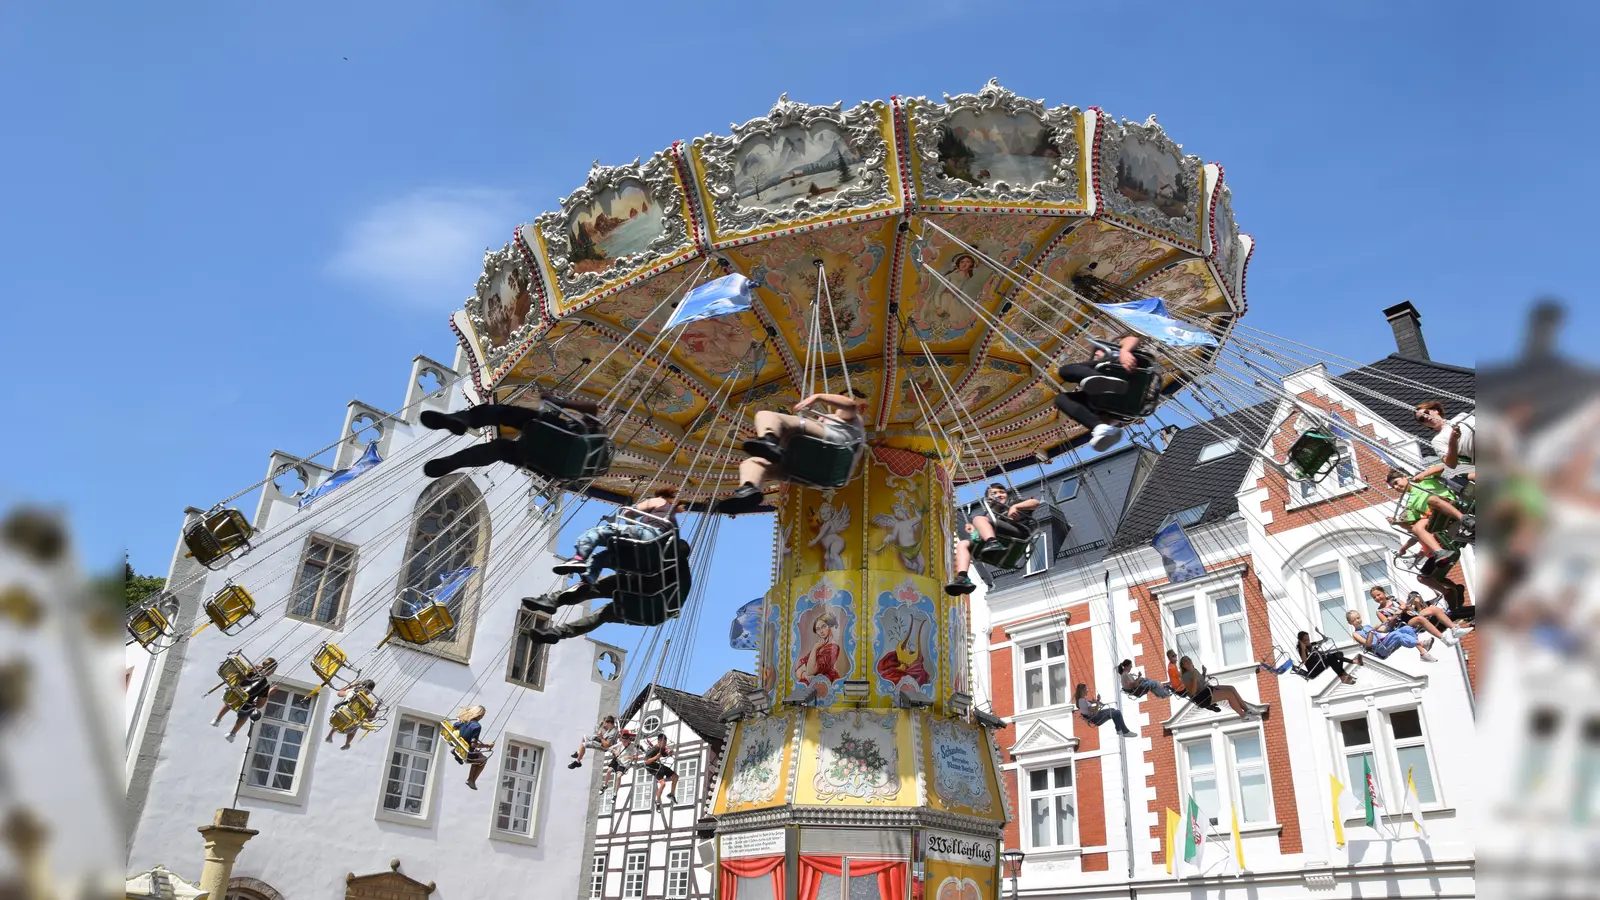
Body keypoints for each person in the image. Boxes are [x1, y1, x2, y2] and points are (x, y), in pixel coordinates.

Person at [719, 393, 866, 514]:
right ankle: (750, 489)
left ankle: (769, 439)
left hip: (836, 447)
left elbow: (850, 405)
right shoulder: (841, 423)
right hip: (824, 477)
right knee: (752, 463)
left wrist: (817, 397)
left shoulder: (851, 421)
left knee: (766, 416)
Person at [524, 538, 693, 644]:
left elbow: (626, 563)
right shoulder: (682, 576)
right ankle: (557, 632)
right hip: (652, 612)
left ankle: (553, 601)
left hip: (647, 597)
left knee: (596, 586)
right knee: (602, 614)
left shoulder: (664, 562)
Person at [419, 395, 604, 478]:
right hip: (542, 462)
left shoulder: (595, 434)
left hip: (550, 433)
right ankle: (454, 462)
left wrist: (560, 403)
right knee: (501, 449)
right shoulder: (590, 462)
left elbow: (593, 408)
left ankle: (462, 419)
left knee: (503, 413)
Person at [554, 488, 684, 582]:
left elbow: (629, 512)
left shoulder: (658, 500)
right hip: (652, 561)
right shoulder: (673, 521)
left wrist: (631, 526)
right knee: (602, 557)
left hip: (649, 536)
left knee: (598, 532)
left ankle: (579, 559)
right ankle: (586, 581)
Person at [1053, 334, 1153, 452]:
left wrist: (1125, 351)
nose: (1095, 354)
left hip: (1123, 375)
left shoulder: (1117, 353)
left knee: (1065, 371)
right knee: (1060, 399)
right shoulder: (1097, 364)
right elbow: (1111, 418)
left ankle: (1098, 379)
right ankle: (1100, 427)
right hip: (1117, 401)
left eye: (1098, 350)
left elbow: (1133, 338)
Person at [946, 484, 1040, 595]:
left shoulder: (1013, 503)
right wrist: (973, 531)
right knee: (962, 544)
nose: (999, 495)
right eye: (993, 493)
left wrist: (1016, 507)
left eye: (1002, 492)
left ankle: (992, 543)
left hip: (1017, 534)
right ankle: (962, 578)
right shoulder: (988, 514)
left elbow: (1035, 503)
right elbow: (979, 533)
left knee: (978, 519)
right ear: (988, 500)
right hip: (1002, 536)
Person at [1386, 465, 1475, 560]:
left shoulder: (1422, 480)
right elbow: (1412, 527)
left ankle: (1464, 518)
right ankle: (1440, 551)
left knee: (1431, 499)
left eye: (1396, 482)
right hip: (1435, 516)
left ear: (1405, 477)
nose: (1396, 487)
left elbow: (1439, 468)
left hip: (1447, 503)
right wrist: (1397, 523)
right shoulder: (1410, 503)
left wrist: (1423, 474)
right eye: (1393, 486)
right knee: (1417, 527)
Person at [211, 657, 277, 743]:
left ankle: (217, 719)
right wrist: (269, 693)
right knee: (246, 713)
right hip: (244, 704)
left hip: (233, 695)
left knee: (231, 701)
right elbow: (260, 704)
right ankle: (232, 734)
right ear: (271, 671)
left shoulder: (248, 670)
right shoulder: (264, 685)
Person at [1258, 632, 1362, 686]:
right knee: (1331, 658)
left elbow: (1322, 641)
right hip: (1314, 669)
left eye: (1308, 639)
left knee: (1338, 654)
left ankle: (1344, 675)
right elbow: (1304, 661)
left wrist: (1321, 636)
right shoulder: (1301, 648)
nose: (1308, 641)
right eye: (1306, 640)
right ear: (1301, 641)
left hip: (1319, 664)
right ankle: (1346, 671)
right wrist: (1303, 649)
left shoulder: (1311, 645)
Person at [1176, 656, 1262, 720]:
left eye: (1188, 660)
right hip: (1202, 697)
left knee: (1231, 688)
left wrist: (1203, 673)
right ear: (1183, 666)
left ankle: (1247, 710)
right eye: (1185, 662)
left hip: (1206, 690)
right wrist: (1194, 678)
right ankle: (1243, 716)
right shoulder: (1185, 676)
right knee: (1229, 695)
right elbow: (1192, 693)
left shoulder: (1194, 670)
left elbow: (1200, 681)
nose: (1187, 662)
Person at [1414, 401, 1474, 484]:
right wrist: (1452, 439)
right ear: (1424, 425)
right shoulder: (1437, 440)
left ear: (1435, 410)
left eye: (1426, 413)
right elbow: (1451, 464)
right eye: (1422, 419)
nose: (1425, 417)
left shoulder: (1461, 416)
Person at [1347, 610, 1435, 663]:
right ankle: (1422, 643)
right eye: (1354, 620)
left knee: (1406, 629)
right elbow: (1368, 644)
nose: (1357, 621)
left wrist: (1388, 623)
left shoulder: (1367, 626)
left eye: (1358, 618)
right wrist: (1371, 632)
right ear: (1350, 623)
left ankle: (1423, 653)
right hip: (1379, 648)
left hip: (1384, 641)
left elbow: (1384, 630)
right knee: (1396, 634)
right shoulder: (1356, 634)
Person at [449, 706, 495, 790]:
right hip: (467, 752)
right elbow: (473, 744)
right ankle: (471, 780)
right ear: (479, 715)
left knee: (478, 754)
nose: (482, 717)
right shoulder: (477, 726)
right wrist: (487, 745)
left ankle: (470, 779)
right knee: (483, 760)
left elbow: (455, 726)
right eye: (482, 715)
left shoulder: (464, 721)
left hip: (460, 747)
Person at [324, 678, 378, 750]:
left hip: (339, 715)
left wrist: (351, 685)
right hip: (349, 724)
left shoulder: (351, 692)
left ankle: (330, 735)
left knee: (339, 717)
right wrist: (377, 707)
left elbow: (339, 693)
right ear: (370, 691)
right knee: (355, 727)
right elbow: (370, 719)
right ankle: (347, 743)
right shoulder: (368, 703)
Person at [1401, 589, 1473, 642]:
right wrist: (1417, 605)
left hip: (1440, 620)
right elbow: (1421, 618)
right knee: (1455, 613)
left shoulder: (1425, 604)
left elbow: (1439, 596)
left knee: (1457, 611)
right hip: (1436, 625)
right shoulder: (1410, 610)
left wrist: (1432, 587)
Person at [640, 733, 678, 807]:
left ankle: (671, 794)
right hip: (652, 768)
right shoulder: (653, 750)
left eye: (665, 743)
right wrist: (655, 757)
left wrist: (669, 753)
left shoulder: (662, 748)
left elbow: (664, 754)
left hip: (658, 766)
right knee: (663, 784)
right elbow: (646, 762)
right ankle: (657, 801)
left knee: (675, 776)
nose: (665, 745)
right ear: (659, 741)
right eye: (664, 743)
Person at [600, 730, 638, 796]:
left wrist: (630, 757)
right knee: (609, 770)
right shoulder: (620, 744)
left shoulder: (632, 747)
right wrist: (615, 751)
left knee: (618, 776)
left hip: (624, 764)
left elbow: (636, 757)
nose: (623, 743)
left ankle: (615, 793)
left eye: (625, 742)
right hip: (617, 760)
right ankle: (605, 785)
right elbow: (609, 748)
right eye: (622, 741)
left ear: (629, 740)